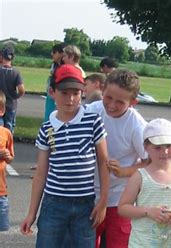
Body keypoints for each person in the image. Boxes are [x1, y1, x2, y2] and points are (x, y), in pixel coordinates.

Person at [19, 65, 109, 248]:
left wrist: (103, 202)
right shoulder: (47, 128)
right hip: (54, 203)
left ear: (82, 92)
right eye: (64, 93)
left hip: (85, 205)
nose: (70, 99)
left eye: (76, 93)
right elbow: (41, 172)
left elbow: (103, 162)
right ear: (52, 92)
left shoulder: (92, 121)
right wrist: (31, 213)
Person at [85, 69, 149, 248]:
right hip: (88, 194)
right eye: (108, 98)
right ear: (102, 90)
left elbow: (151, 161)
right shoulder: (90, 111)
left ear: (133, 102)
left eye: (120, 102)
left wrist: (124, 171)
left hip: (119, 200)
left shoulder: (137, 126)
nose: (112, 105)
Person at [118, 118, 171, 248]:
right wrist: (148, 211)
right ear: (146, 147)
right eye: (157, 148)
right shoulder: (140, 176)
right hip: (141, 243)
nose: (164, 152)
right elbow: (123, 208)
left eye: (169, 146)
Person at [0, 47, 26, 133]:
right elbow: (21, 89)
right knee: (9, 126)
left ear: (1, 57)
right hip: (11, 104)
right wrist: (17, 96)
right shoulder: (15, 72)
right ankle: (8, 144)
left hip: (0, 102)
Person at [0, 91, 14, 232]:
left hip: (1, 192)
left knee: (3, 231)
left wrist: (7, 156)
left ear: (2, 110)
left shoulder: (6, 133)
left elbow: (10, 159)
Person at [44, 43, 66, 121]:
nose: (51, 54)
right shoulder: (54, 65)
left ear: (61, 53)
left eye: (54, 52)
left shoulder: (65, 68)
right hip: (51, 96)